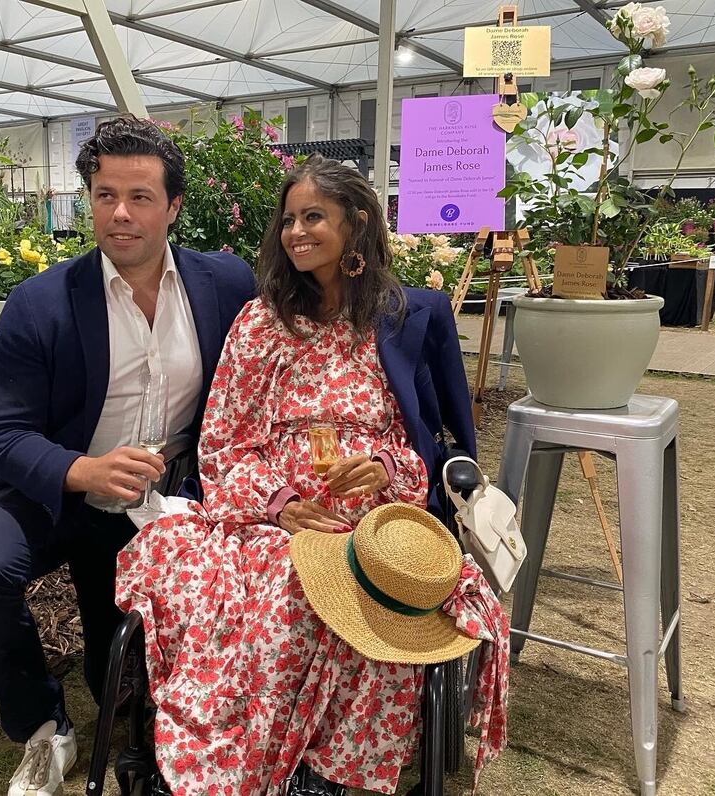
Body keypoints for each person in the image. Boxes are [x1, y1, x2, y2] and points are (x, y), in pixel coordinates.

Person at [115, 154, 478, 796]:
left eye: (314, 217)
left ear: (357, 225)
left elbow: (430, 445)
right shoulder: (261, 323)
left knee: (374, 599)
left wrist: (384, 467)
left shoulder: (399, 320)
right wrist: (279, 503)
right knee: (265, 591)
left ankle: (331, 769)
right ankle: (251, 759)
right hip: (266, 515)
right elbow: (223, 442)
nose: (296, 232)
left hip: (372, 520)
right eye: (289, 220)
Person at [0, 115, 256, 796]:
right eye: (105, 194)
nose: (120, 213)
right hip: (52, 489)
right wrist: (83, 470)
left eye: (140, 197)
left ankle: (146, 713)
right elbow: (3, 434)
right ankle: (42, 725)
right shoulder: (40, 303)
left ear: (173, 206)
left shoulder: (225, 285)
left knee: (120, 672)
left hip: (159, 496)